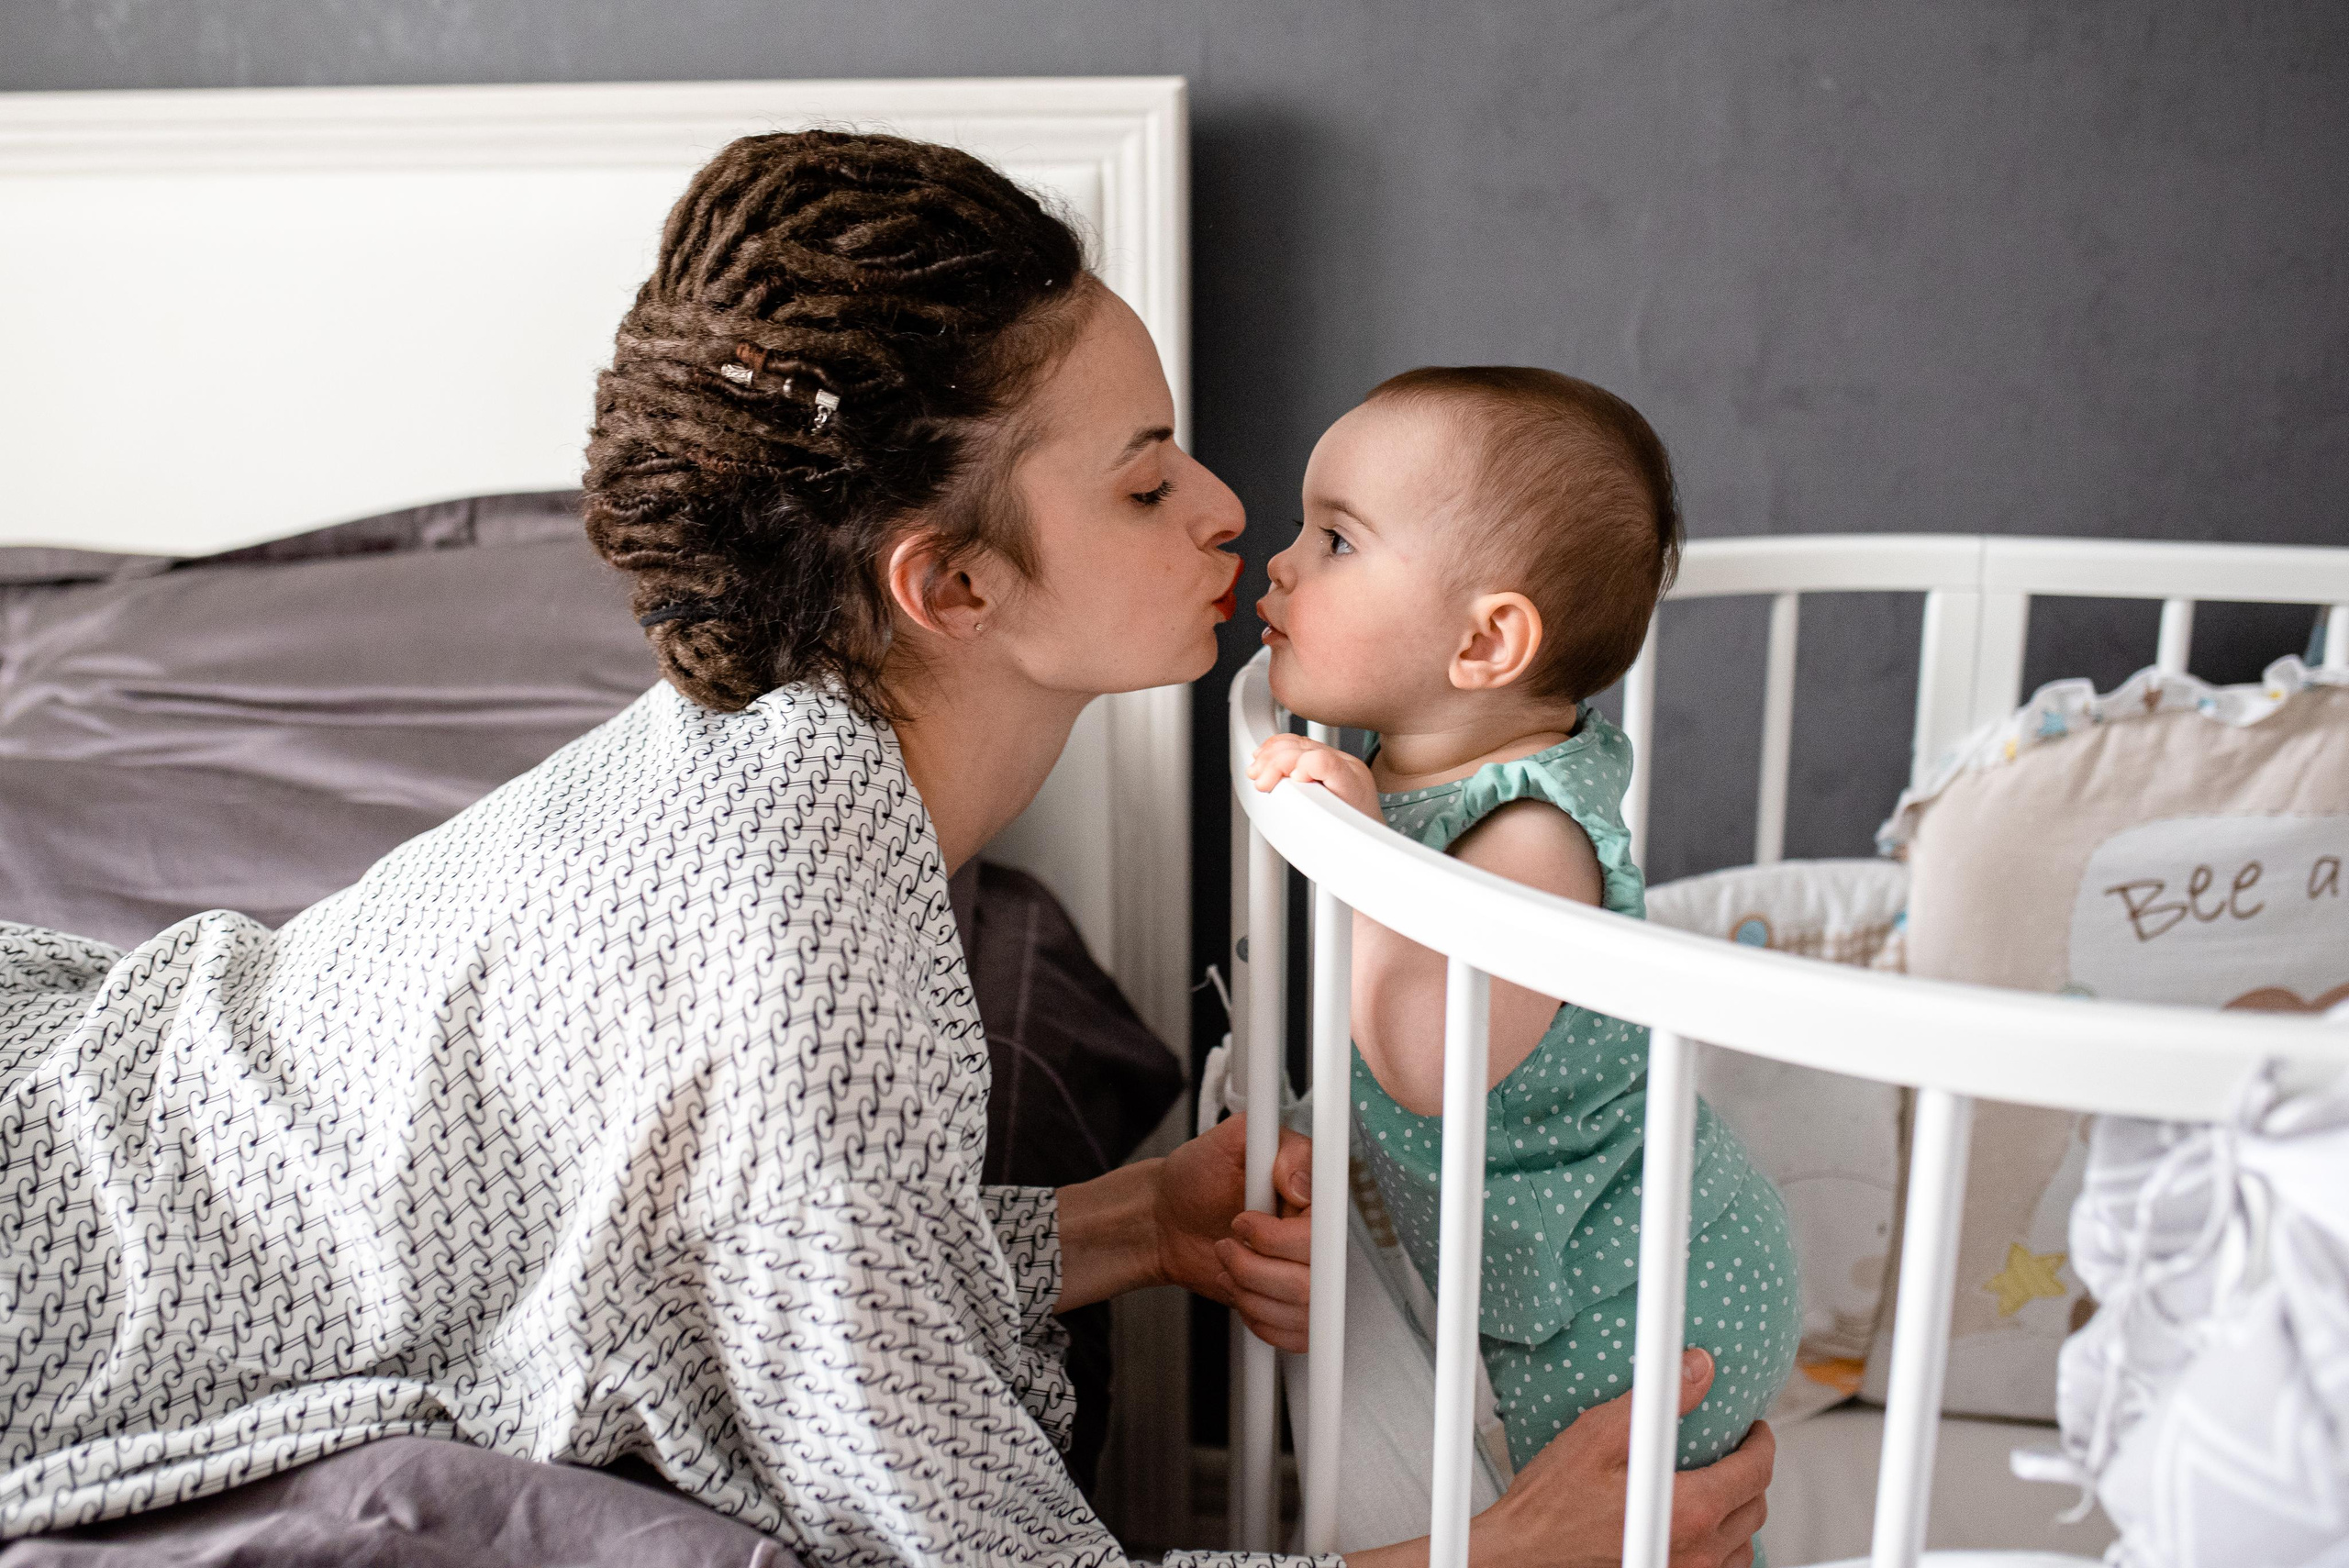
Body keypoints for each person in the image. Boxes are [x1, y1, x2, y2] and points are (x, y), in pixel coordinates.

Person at [0, 133, 1770, 1566]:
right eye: (1147, 482)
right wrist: (1511, 1551)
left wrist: (1130, 1218)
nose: (1232, 509)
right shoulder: (811, 965)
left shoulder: (776, 751)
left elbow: (726, 1244)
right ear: (952, 583)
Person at [1247, 369, 1801, 1477]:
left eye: (1337, 540)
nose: (1281, 559)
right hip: (1537, 1256)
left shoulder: (1531, 838)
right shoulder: (1425, 759)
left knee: (1586, 1522)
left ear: (1486, 645)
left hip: (1632, 1303)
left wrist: (1366, 863)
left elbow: (1423, 1064)